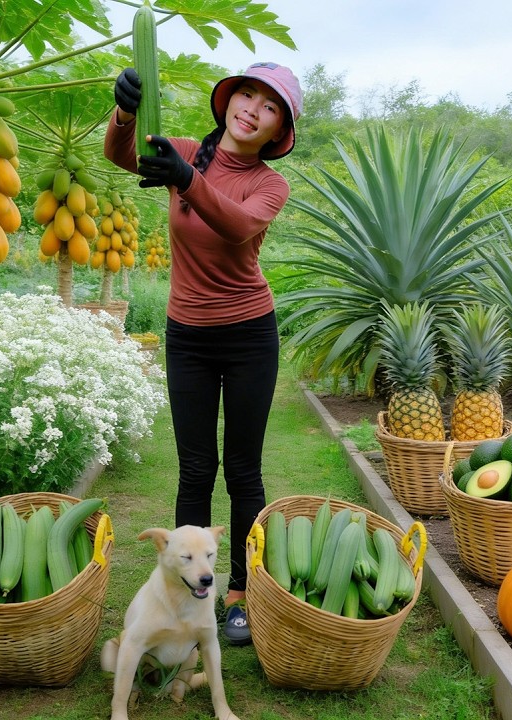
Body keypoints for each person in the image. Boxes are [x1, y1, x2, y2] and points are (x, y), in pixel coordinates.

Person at [105, 62, 302, 646]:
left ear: (276, 131)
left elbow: (237, 225)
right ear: (228, 101)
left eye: (269, 107)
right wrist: (124, 114)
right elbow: (123, 154)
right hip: (186, 334)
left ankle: (239, 592)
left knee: (243, 469)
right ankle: (183, 590)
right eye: (246, 95)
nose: (252, 109)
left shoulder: (270, 185)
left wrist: (186, 178)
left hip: (248, 335)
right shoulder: (190, 150)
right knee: (195, 468)